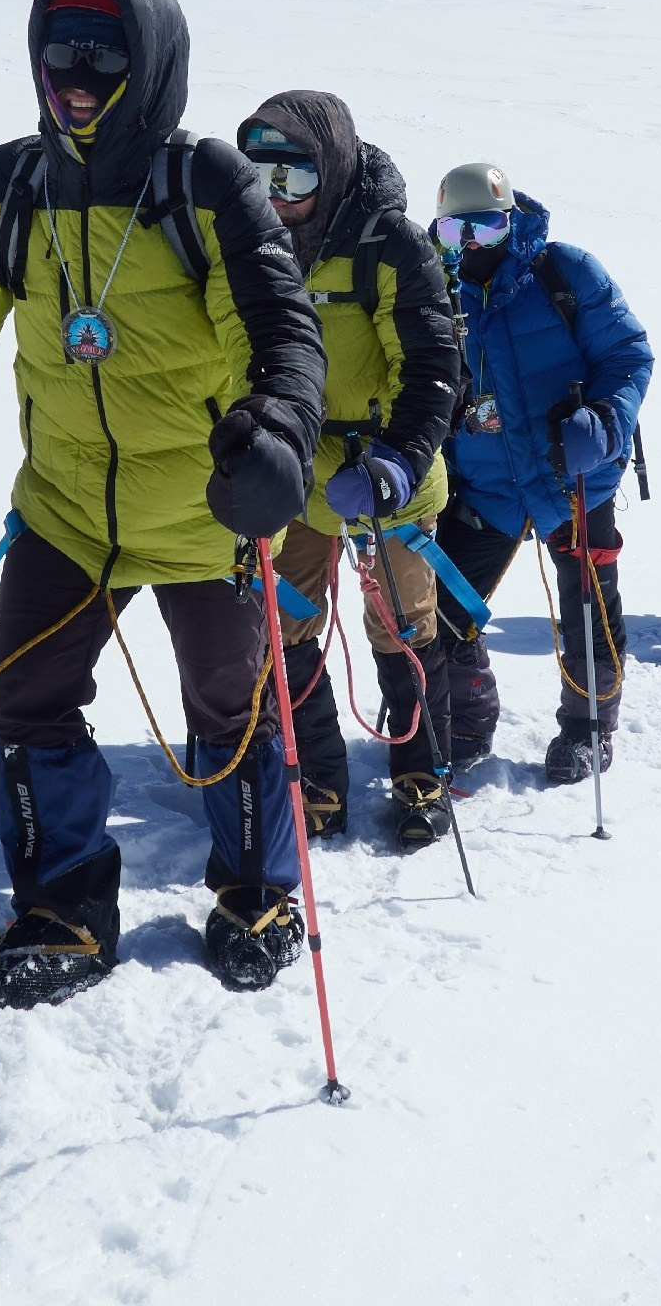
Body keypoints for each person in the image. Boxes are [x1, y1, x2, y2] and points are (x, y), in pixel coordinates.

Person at [0, 0, 325, 1008]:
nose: (76, 73)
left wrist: (275, 429)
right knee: (24, 697)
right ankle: (64, 910)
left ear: (149, 66)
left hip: (207, 512)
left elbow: (279, 326)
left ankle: (259, 893)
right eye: (58, 49)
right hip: (65, 511)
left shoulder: (205, 184)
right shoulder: (8, 189)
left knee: (231, 707)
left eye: (104, 54)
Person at [240, 93, 463, 848]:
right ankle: (320, 782)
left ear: (329, 169)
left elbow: (433, 366)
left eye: (295, 177)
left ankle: (421, 775)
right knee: (289, 630)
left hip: (385, 480)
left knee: (403, 629)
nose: (277, 195)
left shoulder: (390, 245)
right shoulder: (249, 241)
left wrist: (396, 462)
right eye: (259, 174)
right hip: (297, 480)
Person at [428, 163, 654, 784]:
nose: (470, 243)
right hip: (482, 484)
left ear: (511, 220)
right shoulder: (430, 287)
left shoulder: (564, 272)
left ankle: (588, 729)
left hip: (573, 474)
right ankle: (467, 722)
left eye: (486, 225)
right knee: (443, 611)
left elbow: (627, 354)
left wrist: (606, 421)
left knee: (588, 609)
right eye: (454, 229)